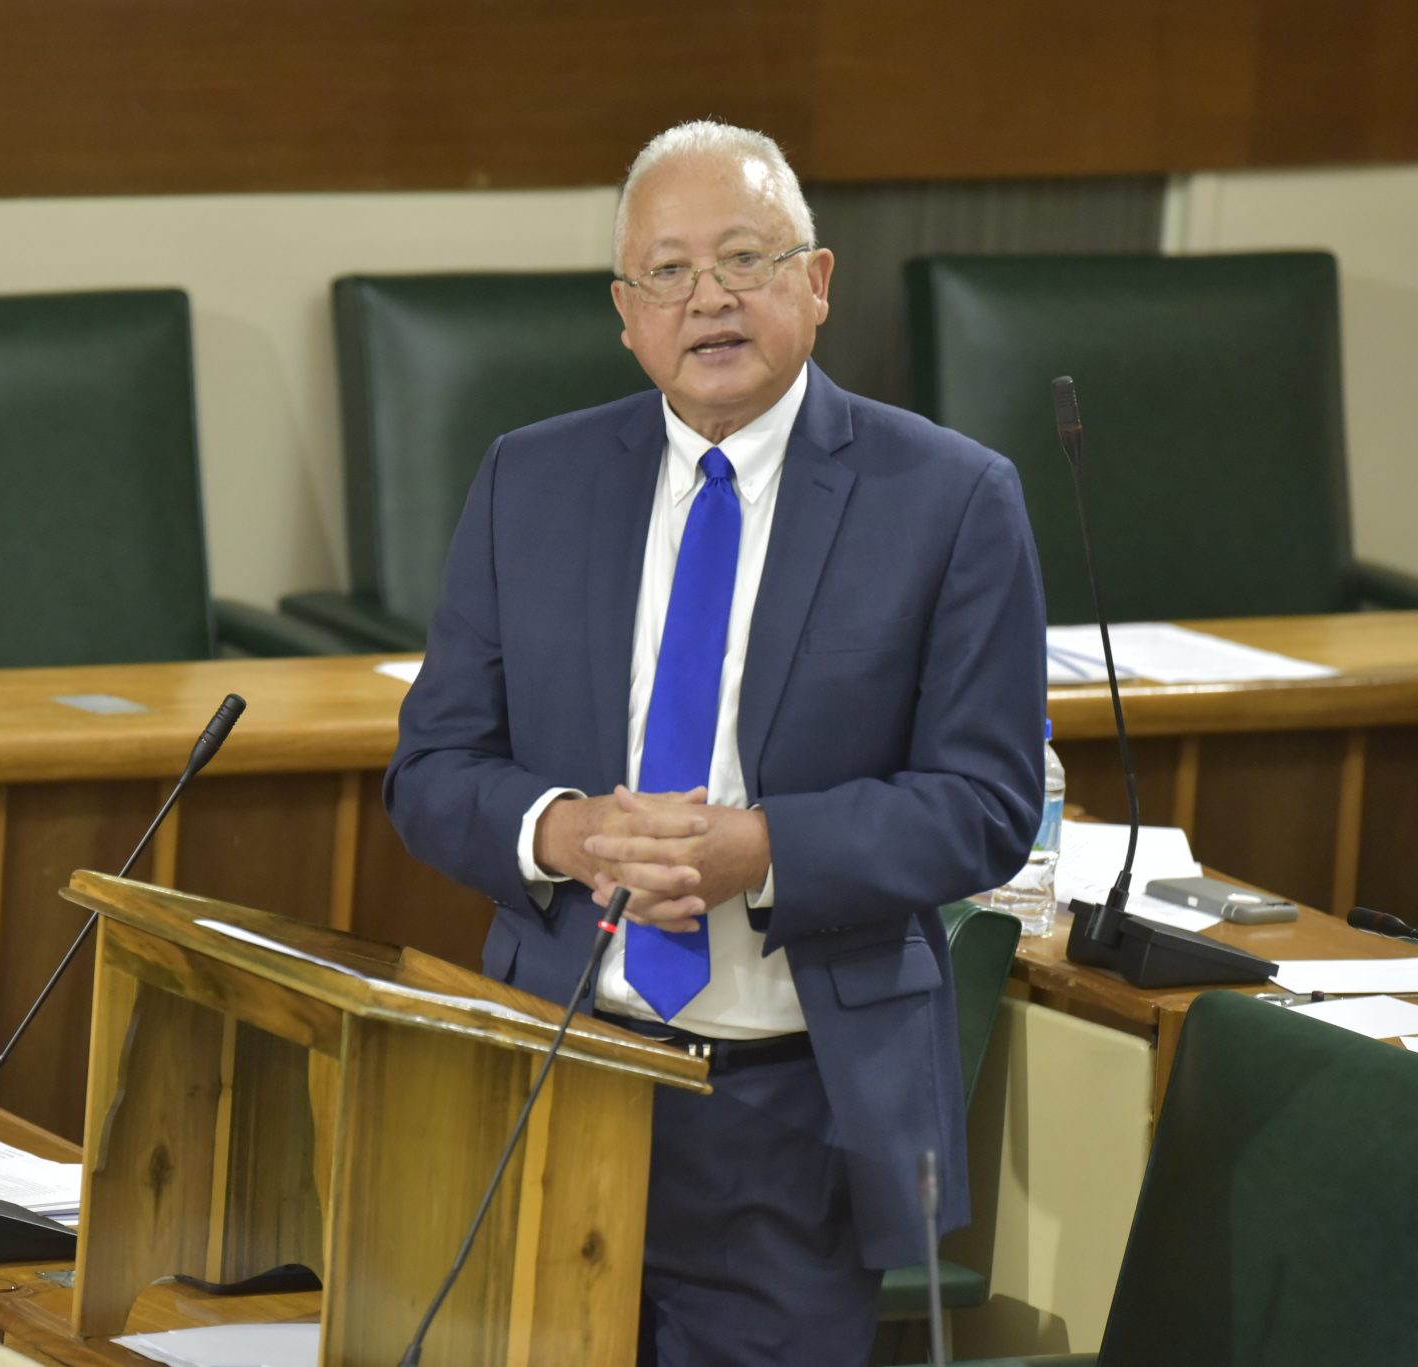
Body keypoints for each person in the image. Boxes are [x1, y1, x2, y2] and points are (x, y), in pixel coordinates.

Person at [384, 119, 1046, 1364]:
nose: (709, 299)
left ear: (816, 280)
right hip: (554, 1079)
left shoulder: (949, 499)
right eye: (669, 272)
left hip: (790, 1116)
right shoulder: (530, 479)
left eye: (744, 258)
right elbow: (429, 771)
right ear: (625, 314)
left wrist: (766, 848)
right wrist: (564, 830)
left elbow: (984, 800)